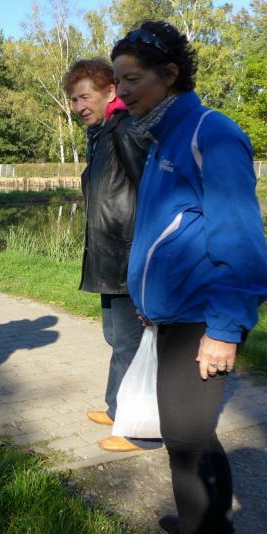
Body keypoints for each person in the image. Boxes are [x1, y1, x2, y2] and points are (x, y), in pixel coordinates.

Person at [112, 21, 267, 533]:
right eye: (118, 80)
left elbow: (241, 243)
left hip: (204, 319)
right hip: (172, 315)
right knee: (190, 436)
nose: (122, 91)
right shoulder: (161, 138)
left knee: (184, 440)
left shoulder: (210, 133)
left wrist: (224, 329)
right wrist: (149, 298)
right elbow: (168, 230)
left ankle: (201, 527)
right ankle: (206, 522)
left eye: (132, 79)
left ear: (170, 73)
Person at [62, 58, 154, 453]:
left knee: (130, 343)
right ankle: (118, 408)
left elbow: (153, 193)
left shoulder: (126, 129)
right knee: (116, 337)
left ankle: (141, 430)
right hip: (107, 257)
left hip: (128, 258)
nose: (79, 106)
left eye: (85, 97)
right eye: (74, 99)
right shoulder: (101, 134)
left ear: (110, 92)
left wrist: (146, 256)